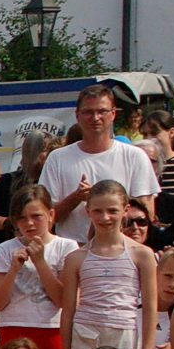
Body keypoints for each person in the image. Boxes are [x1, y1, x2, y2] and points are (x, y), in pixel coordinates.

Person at [63, 180, 157, 349]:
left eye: (112, 210)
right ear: (88, 211)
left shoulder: (142, 254)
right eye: (98, 211)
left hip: (124, 331)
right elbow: (68, 310)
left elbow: (150, 307)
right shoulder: (76, 258)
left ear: (125, 210)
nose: (105, 218)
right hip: (86, 332)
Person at [41, 84, 161, 242]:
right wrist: (76, 197)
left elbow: (145, 213)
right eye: (88, 112)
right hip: (72, 249)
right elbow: (46, 218)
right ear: (77, 115)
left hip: (120, 249)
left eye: (102, 111)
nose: (95, 117)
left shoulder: (134, 156)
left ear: (113, 114)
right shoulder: (57, 158)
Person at [0, 182, 78, 349]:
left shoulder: (66, 246)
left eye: (36, 216)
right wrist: (13, 269)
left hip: (51, 327)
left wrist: (40, 262)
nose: (29, 224)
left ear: (50, 215)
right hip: (13, 325)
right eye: (21, 218)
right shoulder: (6, 249)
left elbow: (62, 299)